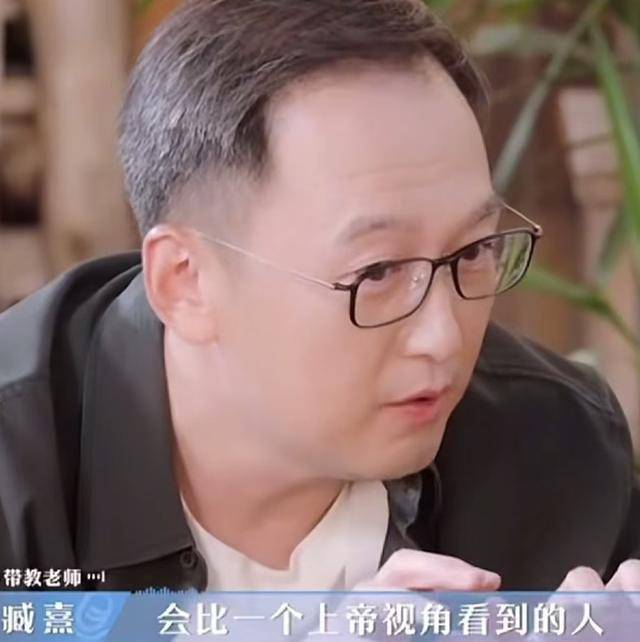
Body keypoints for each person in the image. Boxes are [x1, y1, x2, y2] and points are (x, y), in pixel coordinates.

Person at [1, 0, 639, 593]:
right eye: (378, 272)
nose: (443, 338)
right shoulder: (19, 473)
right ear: (186, 281)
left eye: (472, 253)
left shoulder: (559, 443)